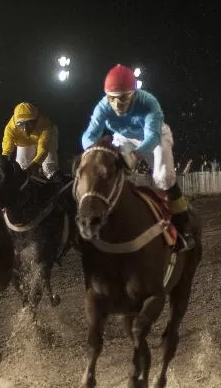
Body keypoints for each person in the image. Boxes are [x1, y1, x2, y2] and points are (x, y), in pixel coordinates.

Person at [80, 64, 195, 251]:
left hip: (155, 137)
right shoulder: (102, 106)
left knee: (163, 177)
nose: (117, 104)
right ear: (107, 96)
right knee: (109, 166)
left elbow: (152, 137)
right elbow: (88, 136)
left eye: (124, 98)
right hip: (124, 137)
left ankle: (184, 226)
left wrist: (136, 154)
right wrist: (94, 151)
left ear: (134, 93)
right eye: (113, 99)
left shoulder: (149, 102)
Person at [1, 102, 60, 181]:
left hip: (46, 139)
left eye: (29, 123)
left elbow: (43, 150)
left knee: (48, 167)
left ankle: (56, 184)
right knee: (22, 166)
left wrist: (35, 165)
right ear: (15, 122)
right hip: (25, 142)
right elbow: (6, 152)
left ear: (36, 120)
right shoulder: (10, 128)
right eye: (20, 124)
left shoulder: (45, 125)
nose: (25, 129)